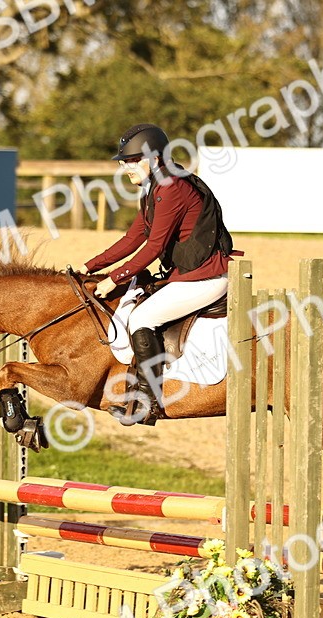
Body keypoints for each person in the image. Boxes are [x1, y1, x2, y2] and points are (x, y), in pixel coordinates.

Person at [85, 123, 236, 427]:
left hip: (206, 277)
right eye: (124, 161)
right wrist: (90, 267)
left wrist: (115, 278)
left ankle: (146, 402)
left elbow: (153, 247)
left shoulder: (172, 188)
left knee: (142, 319)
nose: (126, 167)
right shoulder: (155, 188)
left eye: (131, 160)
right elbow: (133, 238)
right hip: (187, 274)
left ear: (153, 158)